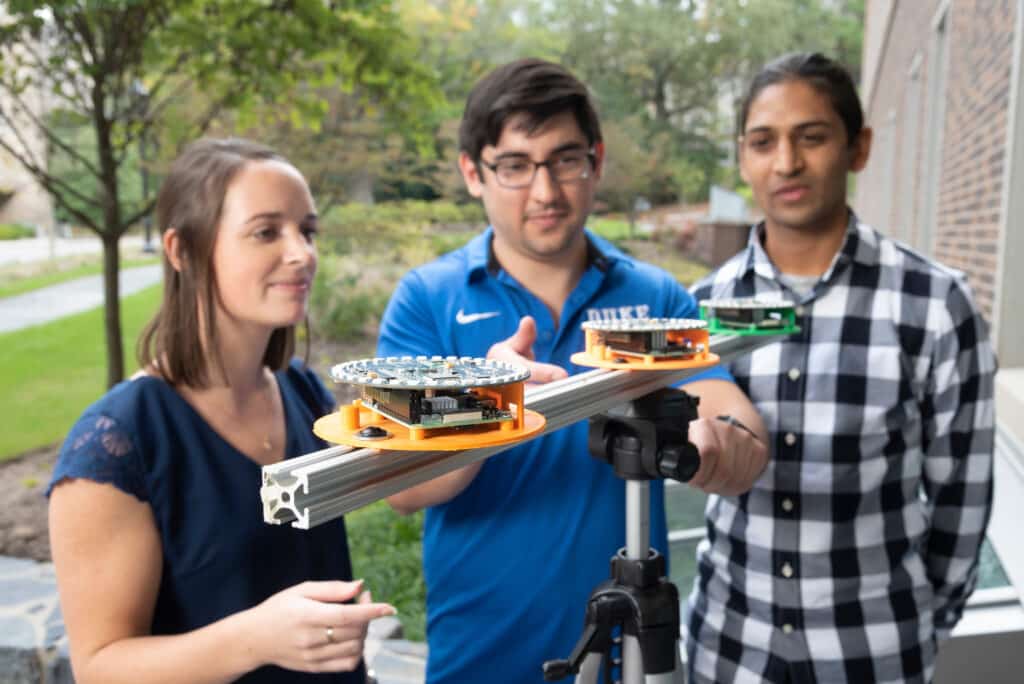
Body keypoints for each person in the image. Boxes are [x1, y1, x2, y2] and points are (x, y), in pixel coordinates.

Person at [376, 58, 769, 684]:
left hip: (632, 655)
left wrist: (725, 443)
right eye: (514, 166)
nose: (546, 192)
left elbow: (722, 401)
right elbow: (403, 489)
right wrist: (485, 400)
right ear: (472, 173)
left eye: (565, 159)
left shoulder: (653, 293)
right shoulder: (428, 298)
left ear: (597, 160)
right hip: (479, 657)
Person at [687, 52, 996, 684]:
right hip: (730, 644)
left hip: (875, 650)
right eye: (762, 142)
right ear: (743, 158)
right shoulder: (701, 311)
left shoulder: (935, 305)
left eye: (813, 137)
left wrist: (919, 621)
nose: (787, 163)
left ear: (859, 148)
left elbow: (960, 499)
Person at [47, 138, 395, 684]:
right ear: (181, 250)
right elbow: (100, 667)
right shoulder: (118, 443)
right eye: (266, 232)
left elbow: (401, 483)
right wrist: (257, 639)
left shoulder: (300, 391)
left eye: (307, 230)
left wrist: (486, 401)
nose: (302, 253)